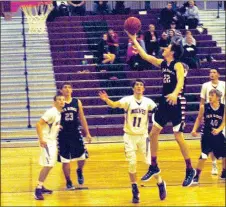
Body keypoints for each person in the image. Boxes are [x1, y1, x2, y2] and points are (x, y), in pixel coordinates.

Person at [125, 30, 196, 187]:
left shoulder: (177, 65)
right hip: (165, 102)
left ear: (172, 52)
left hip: (177, 102)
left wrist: (175, 93)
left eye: (168, 46)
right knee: (153, 133)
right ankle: (154, 165)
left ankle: (190, 169)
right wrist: (134, 39)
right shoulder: (163, 64)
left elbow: (180, 82)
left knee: (178, 136)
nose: (165, 48)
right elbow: (145, 56)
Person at [99, 79, 167, 203]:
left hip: (143, 136)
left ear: (144, 89)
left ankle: (160, 182)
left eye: (141, 85)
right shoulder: (127, 100)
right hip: (129, 136)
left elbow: (159, 112)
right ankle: (135, 189)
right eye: (137, 85)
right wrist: (106, 100)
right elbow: (114, 105)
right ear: (133, 88)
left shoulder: (148, 102)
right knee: (132, 163)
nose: (139, 87)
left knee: (150, 163)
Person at [58, 82, 92, 190]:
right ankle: (68, 181)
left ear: (72, 90)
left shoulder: (77, 102)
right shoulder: (59, 102)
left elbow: (82, 118)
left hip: (75, 132)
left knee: (83, 156)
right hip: (63, 134)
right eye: (65, 87)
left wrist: (87, 133)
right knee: (65, 159)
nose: (67, 89)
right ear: (61, 90)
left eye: (69, 87)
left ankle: (79, 170)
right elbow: (54, 116)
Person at [34, 94, 65, 200]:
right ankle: (37, 189)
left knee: (50, 164)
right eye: (59, 100)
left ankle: (41, 186)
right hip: (46, 142)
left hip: (52, 142)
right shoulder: (51, 112)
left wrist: (57, 127)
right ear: (54, 102)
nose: (61, 101)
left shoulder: (58, 113)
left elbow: (51, 124)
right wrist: (41, 139)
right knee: (47, 165)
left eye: (63, 100)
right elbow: (38, 124)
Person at [191, 89, 226, 183]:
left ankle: (224, 172)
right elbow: (198, 119)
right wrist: (194, 130)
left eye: (212, 95)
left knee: (224, 154)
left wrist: (218, 130)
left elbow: (224, 122)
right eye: (209, 95)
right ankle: (196, 176)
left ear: (218, 98)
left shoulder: (223, 108)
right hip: (207, 135)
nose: (210, 97)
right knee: (204, 156)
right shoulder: (204, 107)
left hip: (218, 134)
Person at [198, 68, 225, 175]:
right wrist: (202, 113)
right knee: (210, 141)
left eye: (214, 72)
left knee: (223, 143)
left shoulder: (223, 84)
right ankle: (214, 163)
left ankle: (224, 170)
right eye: (210, 72)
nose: (211, 74)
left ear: (218, 74)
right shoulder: (205, 85)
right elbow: (202, 101)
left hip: (221, 114)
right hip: (210, 113)